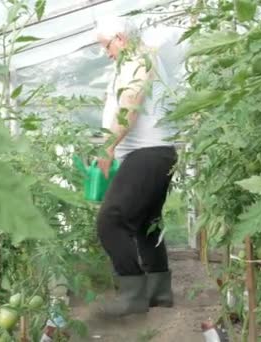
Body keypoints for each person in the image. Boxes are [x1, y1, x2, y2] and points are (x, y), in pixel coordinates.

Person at [93, 17, 178, 318]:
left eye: (105, 46)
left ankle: (135, 296)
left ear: (120, 38)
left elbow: (131, 100)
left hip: (148, 153)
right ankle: (159, 293)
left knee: (110, 220)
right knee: (146, 222)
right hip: (153, 153)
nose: (106, 53)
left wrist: (109, 144)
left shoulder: (138, 59)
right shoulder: (139, 58)